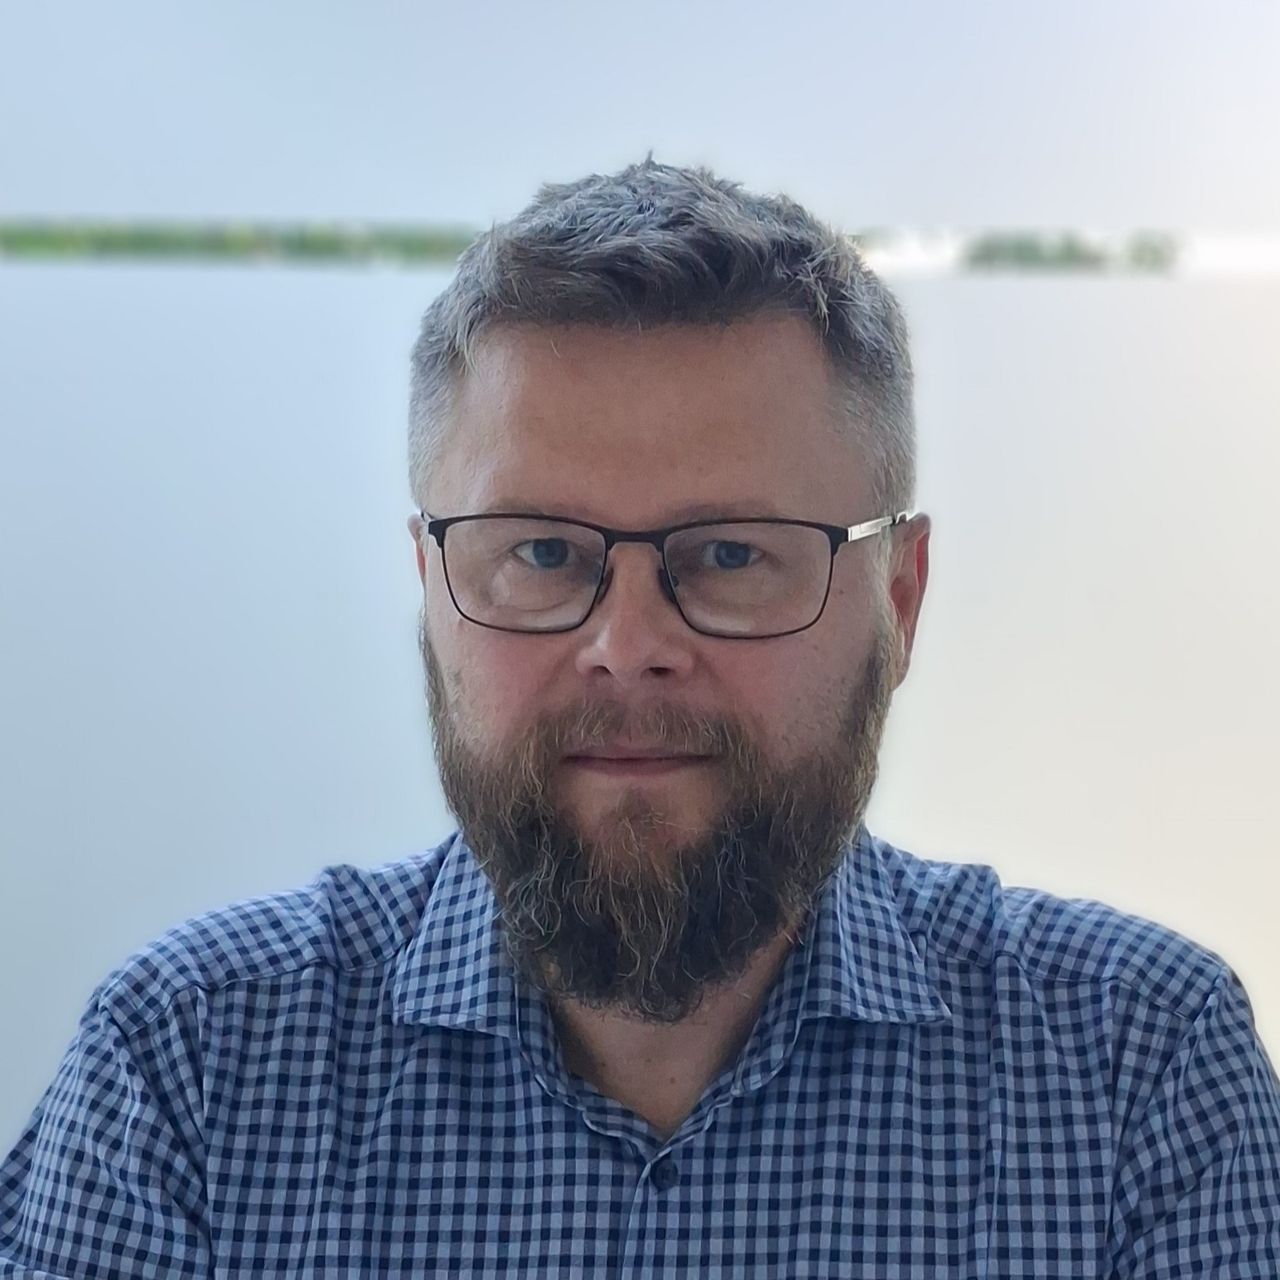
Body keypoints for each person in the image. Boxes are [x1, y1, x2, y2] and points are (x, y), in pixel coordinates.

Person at [2, 157, 1277, 1278]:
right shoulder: (188, 1070)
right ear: (431, 590)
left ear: (897, 598)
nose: (626, 647)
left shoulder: (1139, 1078)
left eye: (729, 554)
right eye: (541, 551)